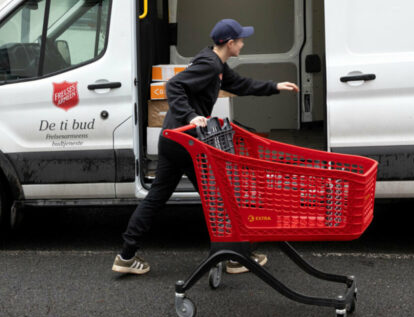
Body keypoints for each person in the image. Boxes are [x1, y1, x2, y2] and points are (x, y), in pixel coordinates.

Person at [112, 18, 300, 275]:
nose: (243, 44)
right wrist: (190, 116)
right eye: (241, 40)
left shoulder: (216, 63)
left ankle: (126, 256)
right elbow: (173, 85)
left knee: (158, 197)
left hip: (173, 139)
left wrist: (275, 87)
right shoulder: (210, 65)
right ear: (230, 43)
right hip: (186, 141)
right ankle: (236, 257)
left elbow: (240, 85)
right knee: (221, 195)